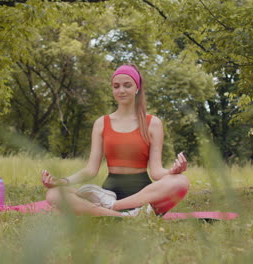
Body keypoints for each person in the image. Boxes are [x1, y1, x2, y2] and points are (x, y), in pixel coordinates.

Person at [41, 64, 190, 217]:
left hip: (143, 195)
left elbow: (156, 171)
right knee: (54, 194)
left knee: (181, 181)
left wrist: (172, 172)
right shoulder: (101, 123)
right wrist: (62, 182)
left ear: (136, 88)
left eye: (127, 85)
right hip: (108, 193)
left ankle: (112, 209)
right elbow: (90, 170)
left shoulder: (153, 123)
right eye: (116, 86)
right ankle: (124, 217)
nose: (121, 90)